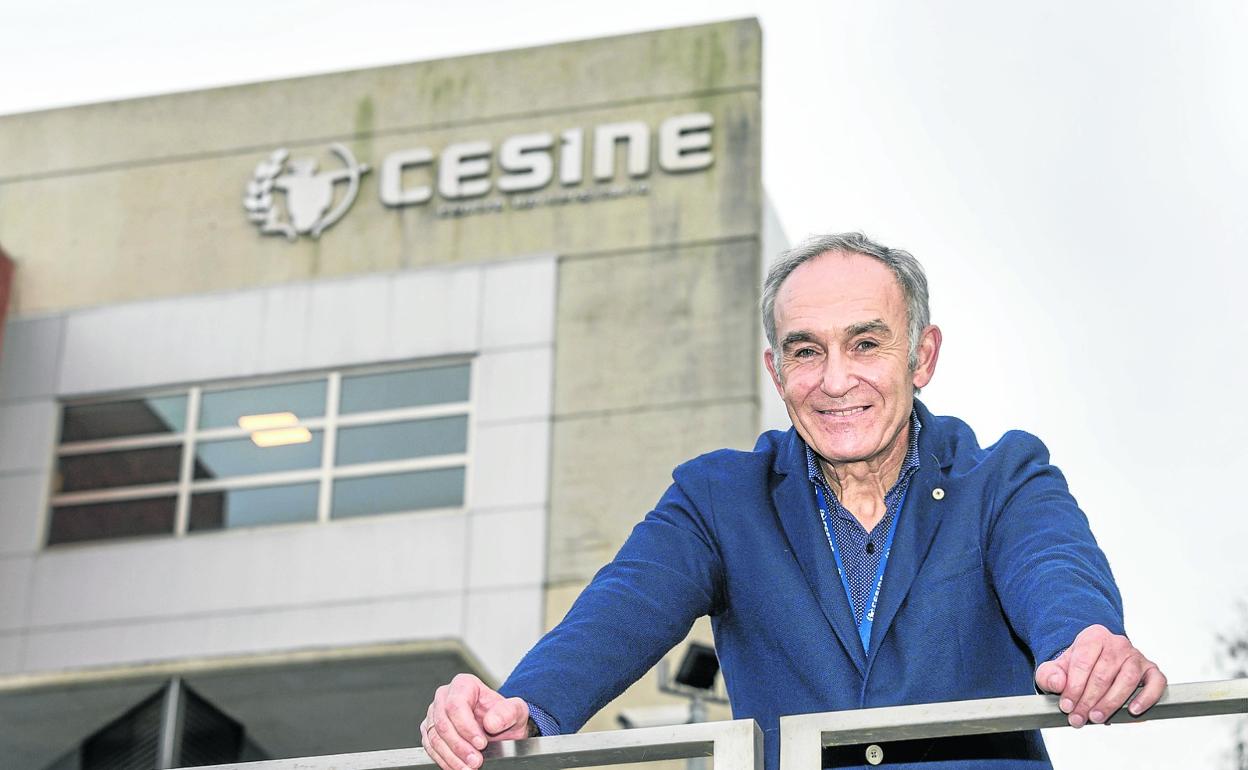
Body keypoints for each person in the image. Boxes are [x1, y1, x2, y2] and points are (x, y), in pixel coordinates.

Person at [421, 233, 1166, 769]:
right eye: (807, 351)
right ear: (777, 372)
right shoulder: (717, 498)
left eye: (866, 343)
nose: (835, 379)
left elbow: (1054, 567)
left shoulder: (1004, 477)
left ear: (923, 356)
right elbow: (617, 611)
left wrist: (1087, 641)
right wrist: (517, 708)